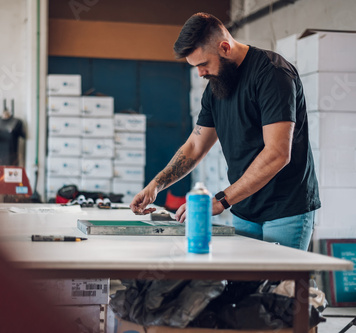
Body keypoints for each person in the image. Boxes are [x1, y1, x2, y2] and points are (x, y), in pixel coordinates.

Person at [130, 12, 320, 250]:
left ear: (224, 47)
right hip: (243, 207)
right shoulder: (216, 88)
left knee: (278, 286)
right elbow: (195, 146)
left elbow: (278, 153)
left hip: (285, 209)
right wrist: (156, 185)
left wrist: (220, 200)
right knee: (242, 286)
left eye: (203, 64)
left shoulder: (273, 74)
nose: (200, 73)